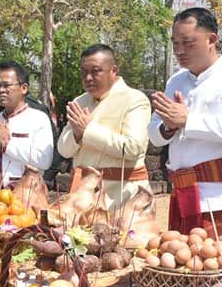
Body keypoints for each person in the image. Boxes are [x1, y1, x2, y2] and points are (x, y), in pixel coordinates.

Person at [149, 8, 222, 269]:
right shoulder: (175, 81)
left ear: (212, 39)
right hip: (184, 196)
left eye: (188, 43)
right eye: (175, 44)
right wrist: (168, 127)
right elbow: (155, 134)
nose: (180, 51)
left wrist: (188, 120)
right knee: (185, 274)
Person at [57, 44, 151, 208]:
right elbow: (63, 150)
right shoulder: (80, 101)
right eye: (84, 72)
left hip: (121, 197)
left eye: (95, 71)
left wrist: (88, 131)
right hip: (82, 196)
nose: (88, 78)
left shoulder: (134, 99)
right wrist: (77, 135)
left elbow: (133, 148)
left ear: (113, 70)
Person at [0, 61, 54, 188]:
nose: (1, 90)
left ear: (24, 88)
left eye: (6, 85)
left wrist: (7, 144)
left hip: (26, 193)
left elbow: (44, 160)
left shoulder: (38, 119)